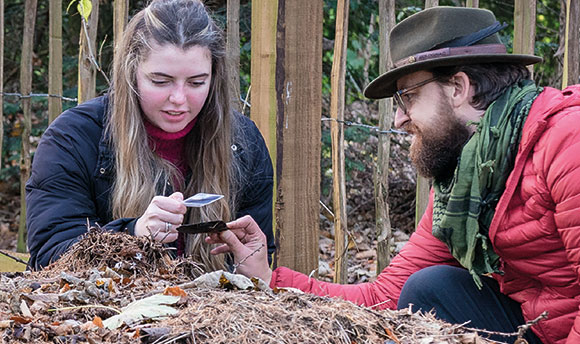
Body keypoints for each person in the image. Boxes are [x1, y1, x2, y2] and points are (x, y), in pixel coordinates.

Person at [206, 6, 580, 344]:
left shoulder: (565, 141)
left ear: (459, 88)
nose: (399, 119)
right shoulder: (466, 179)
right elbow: (386, 297)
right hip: (539, 326)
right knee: (430, 288)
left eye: (408, 97)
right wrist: (267, 279)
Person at [26, 0, 275, 271]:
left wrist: (254, 269)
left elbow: (256, 261)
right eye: (160, 81)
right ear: (131, 72)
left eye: (196, 82)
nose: (179, 99)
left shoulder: (242, 143)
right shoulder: (73, 138)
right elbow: (49, 255)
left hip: (209, 311)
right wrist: (132, 234)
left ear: (214, 78)